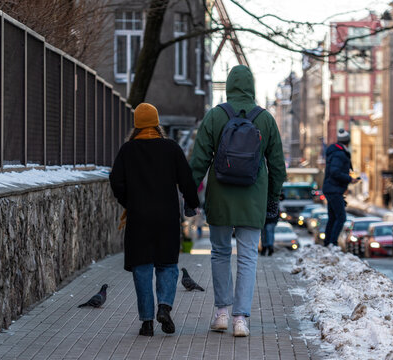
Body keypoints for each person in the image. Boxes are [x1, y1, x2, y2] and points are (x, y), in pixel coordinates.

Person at [189, 65, 286, 337]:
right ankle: (240, 318)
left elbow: (198, 161)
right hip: (253, 198)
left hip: (220, 197)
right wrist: (272, 200)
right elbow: (277, 165)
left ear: (230, 86)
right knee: (247, 258)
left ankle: (221, 313)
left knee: (220, 253)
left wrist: (190, 195)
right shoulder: (265, 119)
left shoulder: (215, 116)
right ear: (251, 86)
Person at [110, 103, 199, 337]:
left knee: (142, 268)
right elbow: (187, 179)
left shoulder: (128, 150)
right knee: (167, 265)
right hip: (167, 217)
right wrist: (192, 202)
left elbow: (116, 181)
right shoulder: (171, 148)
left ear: (136, 125)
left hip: (139, 218)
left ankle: (147, 322)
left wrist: (129, 202)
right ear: (157, 123)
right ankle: (164, 307)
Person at [322, 128, 359, 247]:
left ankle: (328, 242)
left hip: (331, 188)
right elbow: (335, 172)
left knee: (333, 217)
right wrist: (349, 179)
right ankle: (332, 242)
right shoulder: (339, 154)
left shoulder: (336, 152)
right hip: (334, 189)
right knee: (341, 217)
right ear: (348, 142)